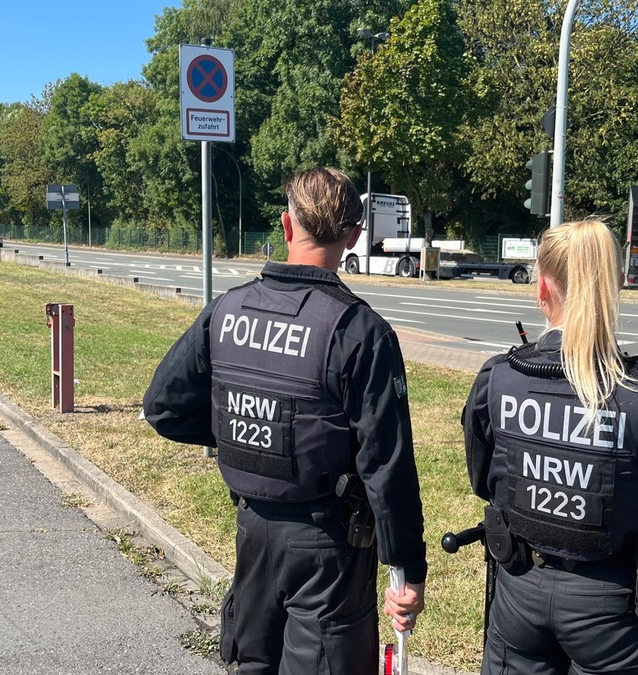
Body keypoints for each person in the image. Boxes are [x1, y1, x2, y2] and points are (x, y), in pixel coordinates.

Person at [143, 167, 426, 675]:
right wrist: (407, 570)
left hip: (253, 534)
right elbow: (387, 466)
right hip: (329, 550)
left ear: (286, 225)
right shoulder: (360, 331)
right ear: (355, 235)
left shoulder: (226, 310)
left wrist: (238, 428)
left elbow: (163, 407)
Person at [462, 220, 638, 675]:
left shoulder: (499, 378)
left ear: (543, 288)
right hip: (614, 611)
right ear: (613, 286)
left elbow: (483, 478)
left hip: (518, 597)